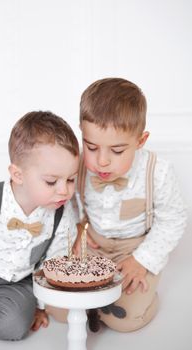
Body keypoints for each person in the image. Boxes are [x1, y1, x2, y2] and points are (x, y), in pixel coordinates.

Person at [49, 77, 187, 332]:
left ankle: (119, 301)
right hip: (95, 243)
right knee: (58, 308)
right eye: (91, 147)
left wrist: (142, 260)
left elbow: (173, 219)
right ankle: (91, 300)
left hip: (136, 247)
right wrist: (78, 231)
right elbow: (67, 204)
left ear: (141, 141)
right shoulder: (77, 166)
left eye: (117, 151)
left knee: (126, 318)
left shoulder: (157, 172)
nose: (102, 161)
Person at [0, 111, 79, 340]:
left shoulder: (63, 217)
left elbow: (51, 268)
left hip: (17, 283)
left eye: (71, 179)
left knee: (14, 325)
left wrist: (42, 306)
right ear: (18, 175)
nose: (64, 190)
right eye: (52, 181)